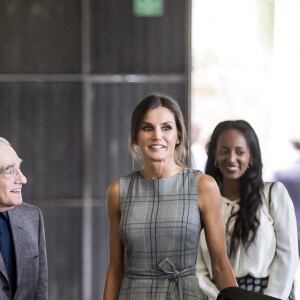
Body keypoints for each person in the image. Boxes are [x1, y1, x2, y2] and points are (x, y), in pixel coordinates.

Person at [103, 93, 237, 300]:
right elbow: (115, 269)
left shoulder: (203, 185)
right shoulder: (119, 190)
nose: (157, 135)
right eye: (147, 128)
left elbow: (220, 265)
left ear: (179, 136)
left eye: (166, 127)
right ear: (135, 137)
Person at [196, 120, 299, 300]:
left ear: (251, 156)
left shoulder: (273, 194)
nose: (231, 158)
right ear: (214, 155)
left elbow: (287, 256)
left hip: (270, 295)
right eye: (224, 151)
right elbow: (198, 269)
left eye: (240, 151)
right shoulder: (203, 201)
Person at [0, 137, 48, 300]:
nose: (22, 179)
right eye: (9, 171)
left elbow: (40, 292)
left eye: (19, 169)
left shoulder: (32, 217)